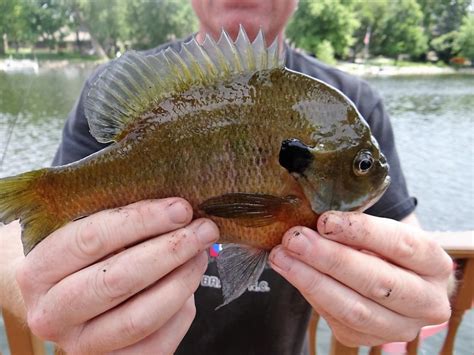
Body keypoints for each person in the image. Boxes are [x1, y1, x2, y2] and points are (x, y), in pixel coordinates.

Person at [0, 1, 453, 354]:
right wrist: (35, 291)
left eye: (361, 166)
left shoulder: (355, 102)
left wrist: (416, 291)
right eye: (361, 165)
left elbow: (419, 259)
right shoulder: (124, 86)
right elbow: (13, 246)